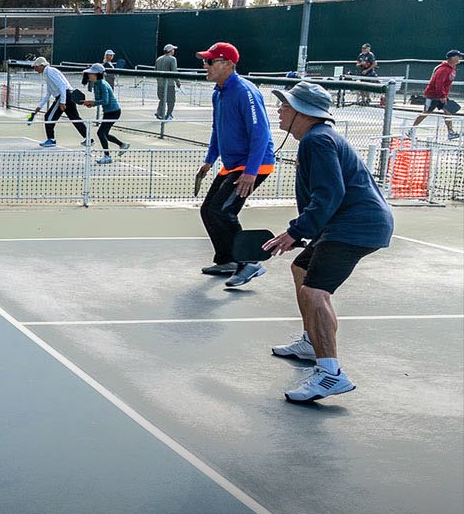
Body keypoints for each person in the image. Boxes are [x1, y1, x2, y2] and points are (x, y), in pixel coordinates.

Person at [260, 81, 393, 403]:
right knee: (301, 269)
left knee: (315, 291)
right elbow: (329, 197)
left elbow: (330, 194)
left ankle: (331, 373)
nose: (280, 110)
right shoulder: (318, 138)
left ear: (303, 113)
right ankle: (311, 342)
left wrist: (296, 231)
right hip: (345, 224)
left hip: (356, 227)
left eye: (286, 106)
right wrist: (305, 232)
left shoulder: (317, 141)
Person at [194, 41, 276, 288]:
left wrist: (250, 173)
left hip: (255, 165)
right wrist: (210, 160)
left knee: (223, 211)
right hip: (232, 165)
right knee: (208, 210)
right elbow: (217, 130)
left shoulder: (245, 92)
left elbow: (260, 134)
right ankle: (227, 259)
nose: (205, 66)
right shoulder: (218, 93)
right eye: (205, 61)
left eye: (210, 61)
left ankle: (250, 262)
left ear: (228, 65)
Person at [30, 56, 88, 148]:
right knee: (74, 117)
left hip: (64, 95)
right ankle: (89, 139)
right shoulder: (47, 74)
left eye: (36, 67)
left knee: (48, 117)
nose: (35, 69)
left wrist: (62, 102)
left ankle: (51, 139)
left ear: (41, 65)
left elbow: (62, 86)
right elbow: (49, 92)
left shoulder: (50, 71)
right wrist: (39, 106)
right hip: (68, 96)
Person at [79, 63, 129, 163]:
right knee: (104, 133)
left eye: (91, 73)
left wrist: (93, 102)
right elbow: (99, 100)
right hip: (109, 111)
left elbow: (105, 101)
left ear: (97, 74)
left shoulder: (101, 84)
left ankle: (107, 157)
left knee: (101, 133)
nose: (89, 75)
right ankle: (122, 145)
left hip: (113, 112)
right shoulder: (97, 84)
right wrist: (91, 103)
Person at [407, 49, 461, 140]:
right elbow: (438, 83)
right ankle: (411, 130)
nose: (460, 58)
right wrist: (442, 96)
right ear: (452, 58)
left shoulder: (451, 68)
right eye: (458, 56)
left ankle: (450, 132)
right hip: (433, 94)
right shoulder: (443, 69)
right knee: (426, 112)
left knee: (448, 112)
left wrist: (444, 95)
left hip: (442, 95)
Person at [154, 43, 179, 120]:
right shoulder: (172, 59)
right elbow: (174, 71)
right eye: (173, 49)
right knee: (171, 100)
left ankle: (160, 113)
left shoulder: (158, 59)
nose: (174, 51)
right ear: (170, 51)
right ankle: (169, 114)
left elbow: (155, 71)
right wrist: (177, 81)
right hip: (169, 84)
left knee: (162, 99)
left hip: (160, 84)